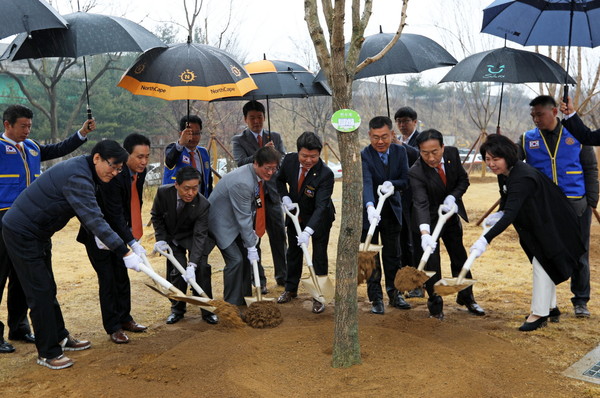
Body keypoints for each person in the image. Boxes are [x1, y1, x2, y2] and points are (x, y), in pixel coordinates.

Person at [2, 140, 145, 370]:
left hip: (39, 232)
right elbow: (92, 216)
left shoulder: (89, 172)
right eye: (113, 166)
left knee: (49, 286)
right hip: (22, 232)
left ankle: (60, 336)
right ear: (97, 157)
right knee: (40, 292)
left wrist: (125, 241)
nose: (115, 172)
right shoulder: (77, 175)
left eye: (120, 169)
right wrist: (124, 251)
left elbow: (91, 212)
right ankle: (48, 352)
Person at [0, 104, 94, 354]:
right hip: (3, 219)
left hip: (32, 224)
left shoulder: (31, 147)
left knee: (25, 279)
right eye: (22, 126)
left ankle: (19, 327)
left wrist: (81, 134)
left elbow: (58, 149)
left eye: (30, 126)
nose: (27, 131)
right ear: (7, 125)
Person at [475, 134, 585, 331]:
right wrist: (498, 213)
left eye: (495, 159)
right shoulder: (506, 174)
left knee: (542, 261)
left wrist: (486, 239)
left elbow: (510, 215)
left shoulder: (522, 176)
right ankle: (550, 308)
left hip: (556, 222)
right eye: (487, 159)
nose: (491, 164)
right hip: (540, 223)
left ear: (507, 156)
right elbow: (506, 199)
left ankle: (539, 313)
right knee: (544, 261)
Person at [517, 95, 598, 318]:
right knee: (545, 253)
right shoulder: (526, 139)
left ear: (554, 112)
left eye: (539, 114)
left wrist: (591, 200)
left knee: (580, 253)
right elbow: (512, 163)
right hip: (544, 206)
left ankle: (581, 301)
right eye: (532, 115)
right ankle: (550, 305)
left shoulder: (578, 134)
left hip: (576, 203)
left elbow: (590, 168)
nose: (535, 119)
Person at [77, 133, 151, 344]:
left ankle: (125, 318)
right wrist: (132, 242)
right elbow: (114, 214)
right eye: (139, 156)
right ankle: (113, 327)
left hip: (118, 232)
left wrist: (131, 237)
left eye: (147, 156)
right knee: (108, 279)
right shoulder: (113, 176)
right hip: (98, 234)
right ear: (127, 155)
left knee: (121, 276)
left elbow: (130, 208)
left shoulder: (138, 173)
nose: (143, 161)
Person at [409, 129, 485, 320]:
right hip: (430, 219)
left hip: (450, 215)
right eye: (425, 153)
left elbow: (463, 180)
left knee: (459, 257)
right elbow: (420, 203)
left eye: (435, 151)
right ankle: (436, 306)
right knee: (432, 263)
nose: (431, 157)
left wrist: (453, 197)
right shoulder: (416, 172)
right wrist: (425, 233)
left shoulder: (451, 154)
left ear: (443, 147)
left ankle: (467, 297)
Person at [208, 146, 282, 305]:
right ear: (256, 163)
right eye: (267, 168)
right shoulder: (243, 182)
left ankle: (245, 300)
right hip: (220, 224)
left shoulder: (254, 175)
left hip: (234, 222)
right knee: (236, 260)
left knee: (245, 259)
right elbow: (244, 217)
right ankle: (231, 305)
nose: (270, 172)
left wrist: (251, 240)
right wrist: (251, 245)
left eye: (274, 169)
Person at [276, 132, 335, 313]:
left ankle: (319, 295)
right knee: (293, 252)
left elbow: (321, 206)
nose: (308, 160)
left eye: (313, 156)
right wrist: (284, 197)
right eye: (304, 156)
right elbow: (279, 180)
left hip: (319, 220)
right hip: (295, 215)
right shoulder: (289, 161)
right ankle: (290, 289)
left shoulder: (325, 174)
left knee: (318, 255)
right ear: (298, 152)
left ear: (319, 154)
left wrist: (308, 231)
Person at [231, 100, 287, 288]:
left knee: (279, 236)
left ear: (264, 117)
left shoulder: (275, 137)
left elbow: (283, 161)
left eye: (260, 117)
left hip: (272, 196)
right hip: (251, 197)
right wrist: (263, 153)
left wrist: (275, 154)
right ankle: (258, 279)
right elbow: (241, 163)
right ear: (245, 119)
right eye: (252, 118)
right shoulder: (239, 140)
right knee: (254, 238)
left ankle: (283, 275)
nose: (257, 121)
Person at [151, 167, 217, 325]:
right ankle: (177, 309)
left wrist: (192, 264)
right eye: (187, 188)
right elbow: (156, 216)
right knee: (177, 269)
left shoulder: (203, 205)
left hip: (192, 238)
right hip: (172, 238)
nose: (191, 193)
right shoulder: (163, 193)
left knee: (201, 268)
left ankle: (207, 310)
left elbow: (200, 235)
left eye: (195, 188)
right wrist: (161, 239)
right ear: (177, 185)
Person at [360, 116, 410, 314]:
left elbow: (405, 179)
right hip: (370, 214)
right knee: (371, 257)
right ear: (369, 136)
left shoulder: (400, 152)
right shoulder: (364, 155)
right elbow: (366, 182)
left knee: (393, 255)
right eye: (375, 137)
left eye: (384, 136)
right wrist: (370, 206)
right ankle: (376, 298)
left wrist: (393, 185)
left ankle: (395, 294)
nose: (380, 142)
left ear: (392, 134)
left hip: (391, 212)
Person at [395, 106, 424, 298]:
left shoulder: (420, 140)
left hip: (416, 199)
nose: (402, 125)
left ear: (414, 122)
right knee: (404, 242)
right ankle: (407, 282)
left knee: (415, 242)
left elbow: (417, 154)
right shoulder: (395, 142)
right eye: (399, 121)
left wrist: (399, 146)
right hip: (399, 199)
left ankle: (419, 285)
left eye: (406, 121)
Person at [163, 115, 212, 198]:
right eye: (190, 133)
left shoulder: (203, 152)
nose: (193, 137)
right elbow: (169, 161)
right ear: (181, 134)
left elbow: (208, 180)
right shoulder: (174, 149)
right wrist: (181, 143)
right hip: (176, 202)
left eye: (197, 133)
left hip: (199, 202)